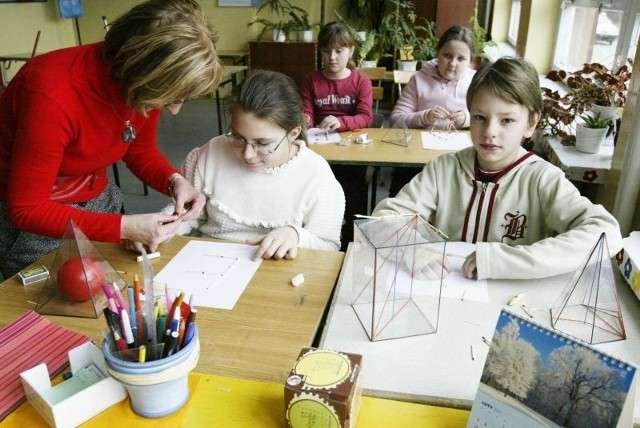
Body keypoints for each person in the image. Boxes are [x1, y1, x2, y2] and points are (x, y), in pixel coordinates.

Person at [0, 0, 222, 279]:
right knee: (44, 312)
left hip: (98, 205)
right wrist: (123, 227)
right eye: (173, 98)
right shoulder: (52, 93)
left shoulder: (140, 81)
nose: (174, 109)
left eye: (183, 99)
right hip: (36, 223)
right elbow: (27, 209)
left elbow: (139, 150)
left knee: (116, 296)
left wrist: (175, 181)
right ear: (140, 72)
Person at [372, 57, 622, 280]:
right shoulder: (444, 170)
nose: (490, 132)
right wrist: (413, 249)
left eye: (507, 120)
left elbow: (606, 233)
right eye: (480, 117)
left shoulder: (542, 179)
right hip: (443, 291)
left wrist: (505, 261)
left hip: (512, 303)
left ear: (531, 123)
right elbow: (381, 221)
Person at [157, 70, 345, 260]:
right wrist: (159, 228)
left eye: (262, 144)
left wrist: (297, 235)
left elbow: (329, 246)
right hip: (211, 263)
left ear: (293, 133)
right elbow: (187, 216)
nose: (247, 154)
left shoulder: (317, 175)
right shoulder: (207, 155)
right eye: (237, 137)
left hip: (279, 277)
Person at [300, 21, 373, 251]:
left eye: (339, 51)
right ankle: (319, 235)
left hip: (352, 151)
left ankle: (352, 238)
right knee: (316, 190)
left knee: (353, 194)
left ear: (350, 51)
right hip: (321, 149)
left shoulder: (360, 81)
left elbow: (365, 117)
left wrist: (341, 122)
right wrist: (304, 122)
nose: (332, 57)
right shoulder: (311, 80)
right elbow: (307, 112)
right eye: (326, 50)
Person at [388, 25, 477, 197]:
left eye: (461, 59)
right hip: (416, 156)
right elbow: (395, 119)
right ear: (437, 53)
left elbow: (487, 118)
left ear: (470, 61)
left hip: (459, 159)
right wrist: (424, 116)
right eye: (447, 55)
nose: (452, 64)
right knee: (402, 192)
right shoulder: (419, 79)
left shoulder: (476, 82)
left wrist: (467, 118)